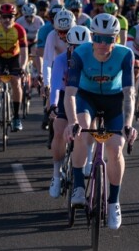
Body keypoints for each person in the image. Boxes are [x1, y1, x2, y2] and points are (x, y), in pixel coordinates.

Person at [64, 13, 137, 230]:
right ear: (92, 37)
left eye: (108, 39)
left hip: (114, 100)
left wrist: (128, 124)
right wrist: (72, 121)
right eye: (98, 38)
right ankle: (78, 186)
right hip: (87, 97)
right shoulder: (80, 53)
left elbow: (129, 93)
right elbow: (70, 94)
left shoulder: (126, 54)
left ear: (116, 39)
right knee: (82, 130)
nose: (102, 44)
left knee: (115, 148)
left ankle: (113, 202)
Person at [47, 25, 91, 198]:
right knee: (58, 129)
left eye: (83, 47)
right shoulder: (61, 60)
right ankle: (56, 174)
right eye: (75, 47)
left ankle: (89, 155)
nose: (79, 51)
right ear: (69, 46)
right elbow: (56, 87)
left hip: (87, 96)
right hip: (66, 95)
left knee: (91, 125)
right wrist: (53, 105)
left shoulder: (94, 58)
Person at [0, 3, 28, 131]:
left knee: (16, 82)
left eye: (10, 16)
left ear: (15, 17)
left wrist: (23, 66)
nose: (7, 20)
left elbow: (24, 52)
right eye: (4, 17)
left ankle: (16, 116)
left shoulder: (19, 30)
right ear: (0, 17)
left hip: (14, 58)